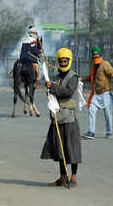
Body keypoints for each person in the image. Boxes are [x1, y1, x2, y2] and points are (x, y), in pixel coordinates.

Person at [41, 48, 82, 188]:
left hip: (69, 118)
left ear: (69, 61)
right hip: (57, 117)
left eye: (65, 61)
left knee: (72, 150)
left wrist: (52, 87)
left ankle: (74, 177)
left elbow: (67, 92)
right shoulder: (56, 77)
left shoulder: (73, 77)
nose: (63, 63)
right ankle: (63, 177)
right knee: (60, 150)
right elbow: (53, 93)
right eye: (61, 61)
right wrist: (49, 91)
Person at [81, 46, 113, 139]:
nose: (95, 57)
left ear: (100, 55)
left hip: (106, 94)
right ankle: (91, 132)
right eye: (94, 55)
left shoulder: (105, 64)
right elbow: (91, 77)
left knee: (108, 114)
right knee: (91, 110)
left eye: (97, 55)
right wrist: (81, 79)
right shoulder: (93, 66)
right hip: (96, 94)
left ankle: (109, 132)